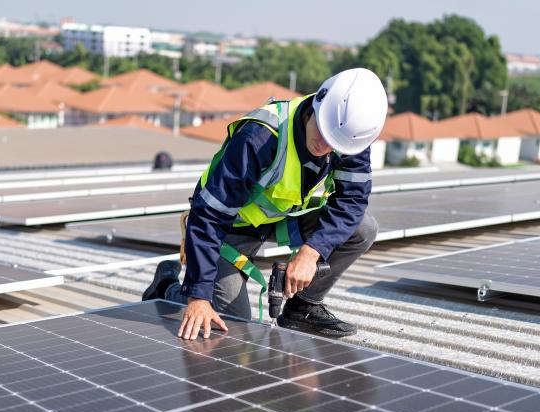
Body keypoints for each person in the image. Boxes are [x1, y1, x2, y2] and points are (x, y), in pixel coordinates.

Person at [143, 68, 388, 340]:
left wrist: (312, 251)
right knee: (230, 324)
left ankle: (302, 309)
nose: (325, 146)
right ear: (318, 104)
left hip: (285, 218)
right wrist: (198, 296)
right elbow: (209, 215)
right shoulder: (261, 136)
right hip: (230, 228)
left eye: (335, 143)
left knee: (364, 229)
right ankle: (166, 288)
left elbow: (352, 201)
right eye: (322, 132)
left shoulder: (348, 136)